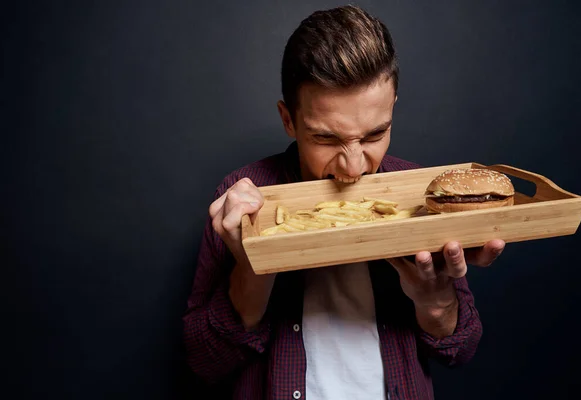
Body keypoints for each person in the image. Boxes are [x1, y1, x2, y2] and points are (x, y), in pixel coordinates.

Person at [183, 5, 504, 400]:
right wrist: (255, 269)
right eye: (326, 139)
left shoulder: (423, 194)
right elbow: (201, 361)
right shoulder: (241, 198)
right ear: (288, 120)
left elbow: (461, 349)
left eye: (374, 135)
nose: (353, 168)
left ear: (392, 110)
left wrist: (436, 300)